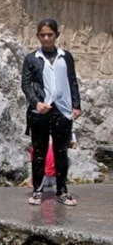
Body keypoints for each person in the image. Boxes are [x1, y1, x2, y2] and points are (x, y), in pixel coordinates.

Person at [22, 18, 81, 206]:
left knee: (61, 151)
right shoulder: (32, 58)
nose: (46, 38)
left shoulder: (66, 56)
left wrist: (76, 105)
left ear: (56, 35)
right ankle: (37, 189)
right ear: (38, 36)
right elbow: (26, 84)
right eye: (42, 35)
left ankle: (62, 190)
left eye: (50, 34)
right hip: (41, 109)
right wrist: (36, 103)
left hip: (62, 110)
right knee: (39, 150)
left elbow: (72, 80)